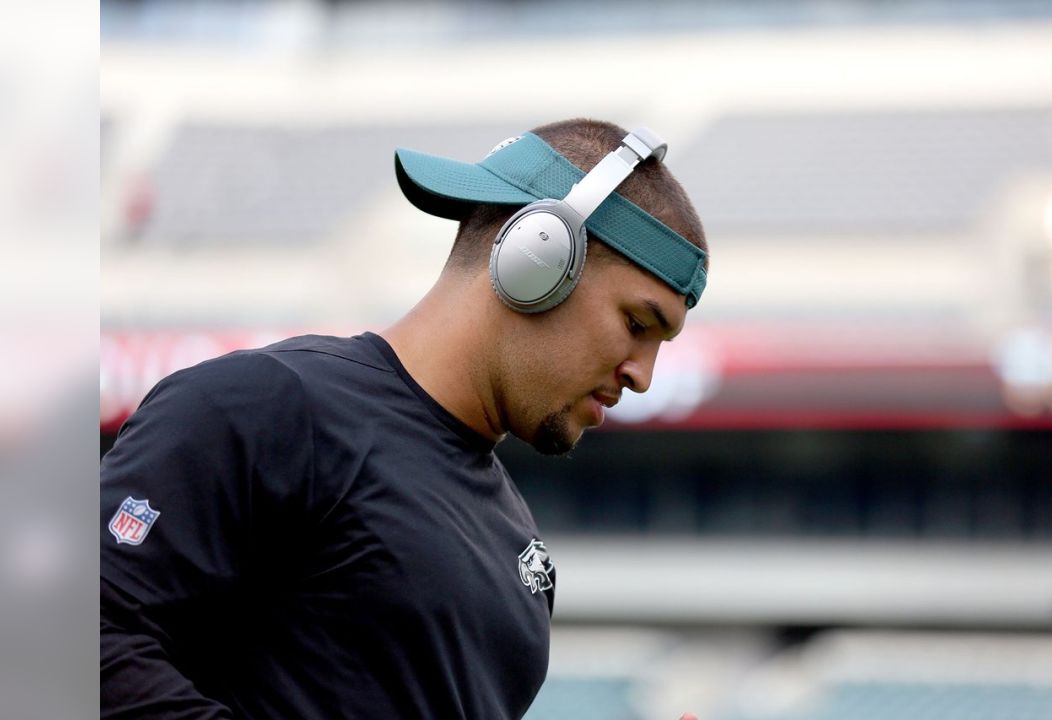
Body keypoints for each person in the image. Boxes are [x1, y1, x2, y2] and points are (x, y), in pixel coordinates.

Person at [100, 118, 710, 719]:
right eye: (637, 324)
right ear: (538, 258)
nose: (643, 375)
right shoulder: (268, 406)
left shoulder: (520, 551)